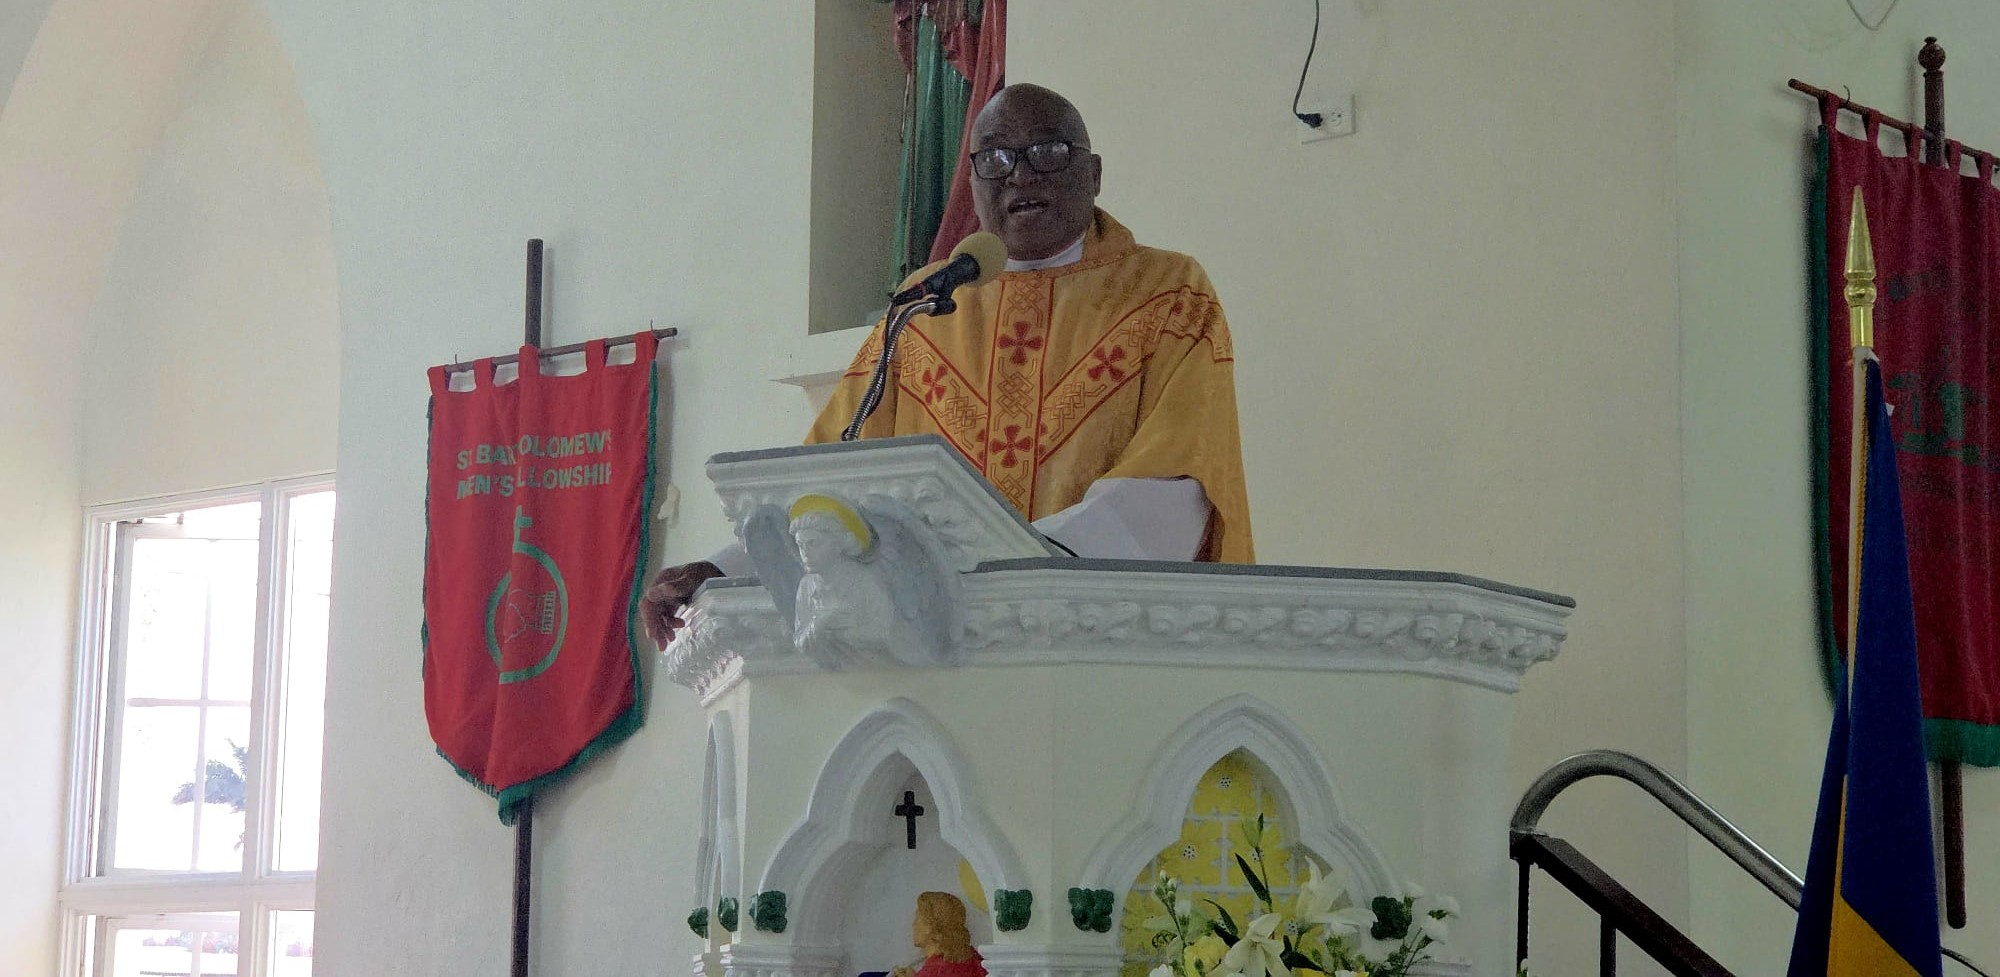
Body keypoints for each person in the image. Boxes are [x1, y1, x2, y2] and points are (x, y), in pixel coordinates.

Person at [643, 84, 1252, 647]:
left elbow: (1179, 474)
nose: (1021, 174)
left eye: (1048, 151)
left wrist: (1025, 569)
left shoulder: (1168, 293)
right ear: (973, 184)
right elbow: (835, 474)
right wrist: (724, 568)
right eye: (996, 159)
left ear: (1093, 173)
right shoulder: (928, 305)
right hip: (939, 635)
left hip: (1097, 625)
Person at [890, 891, 985, 977]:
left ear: (929, 927)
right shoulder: (974, 958)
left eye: (917, 918)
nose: (913, 924)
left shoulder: (933, 971)